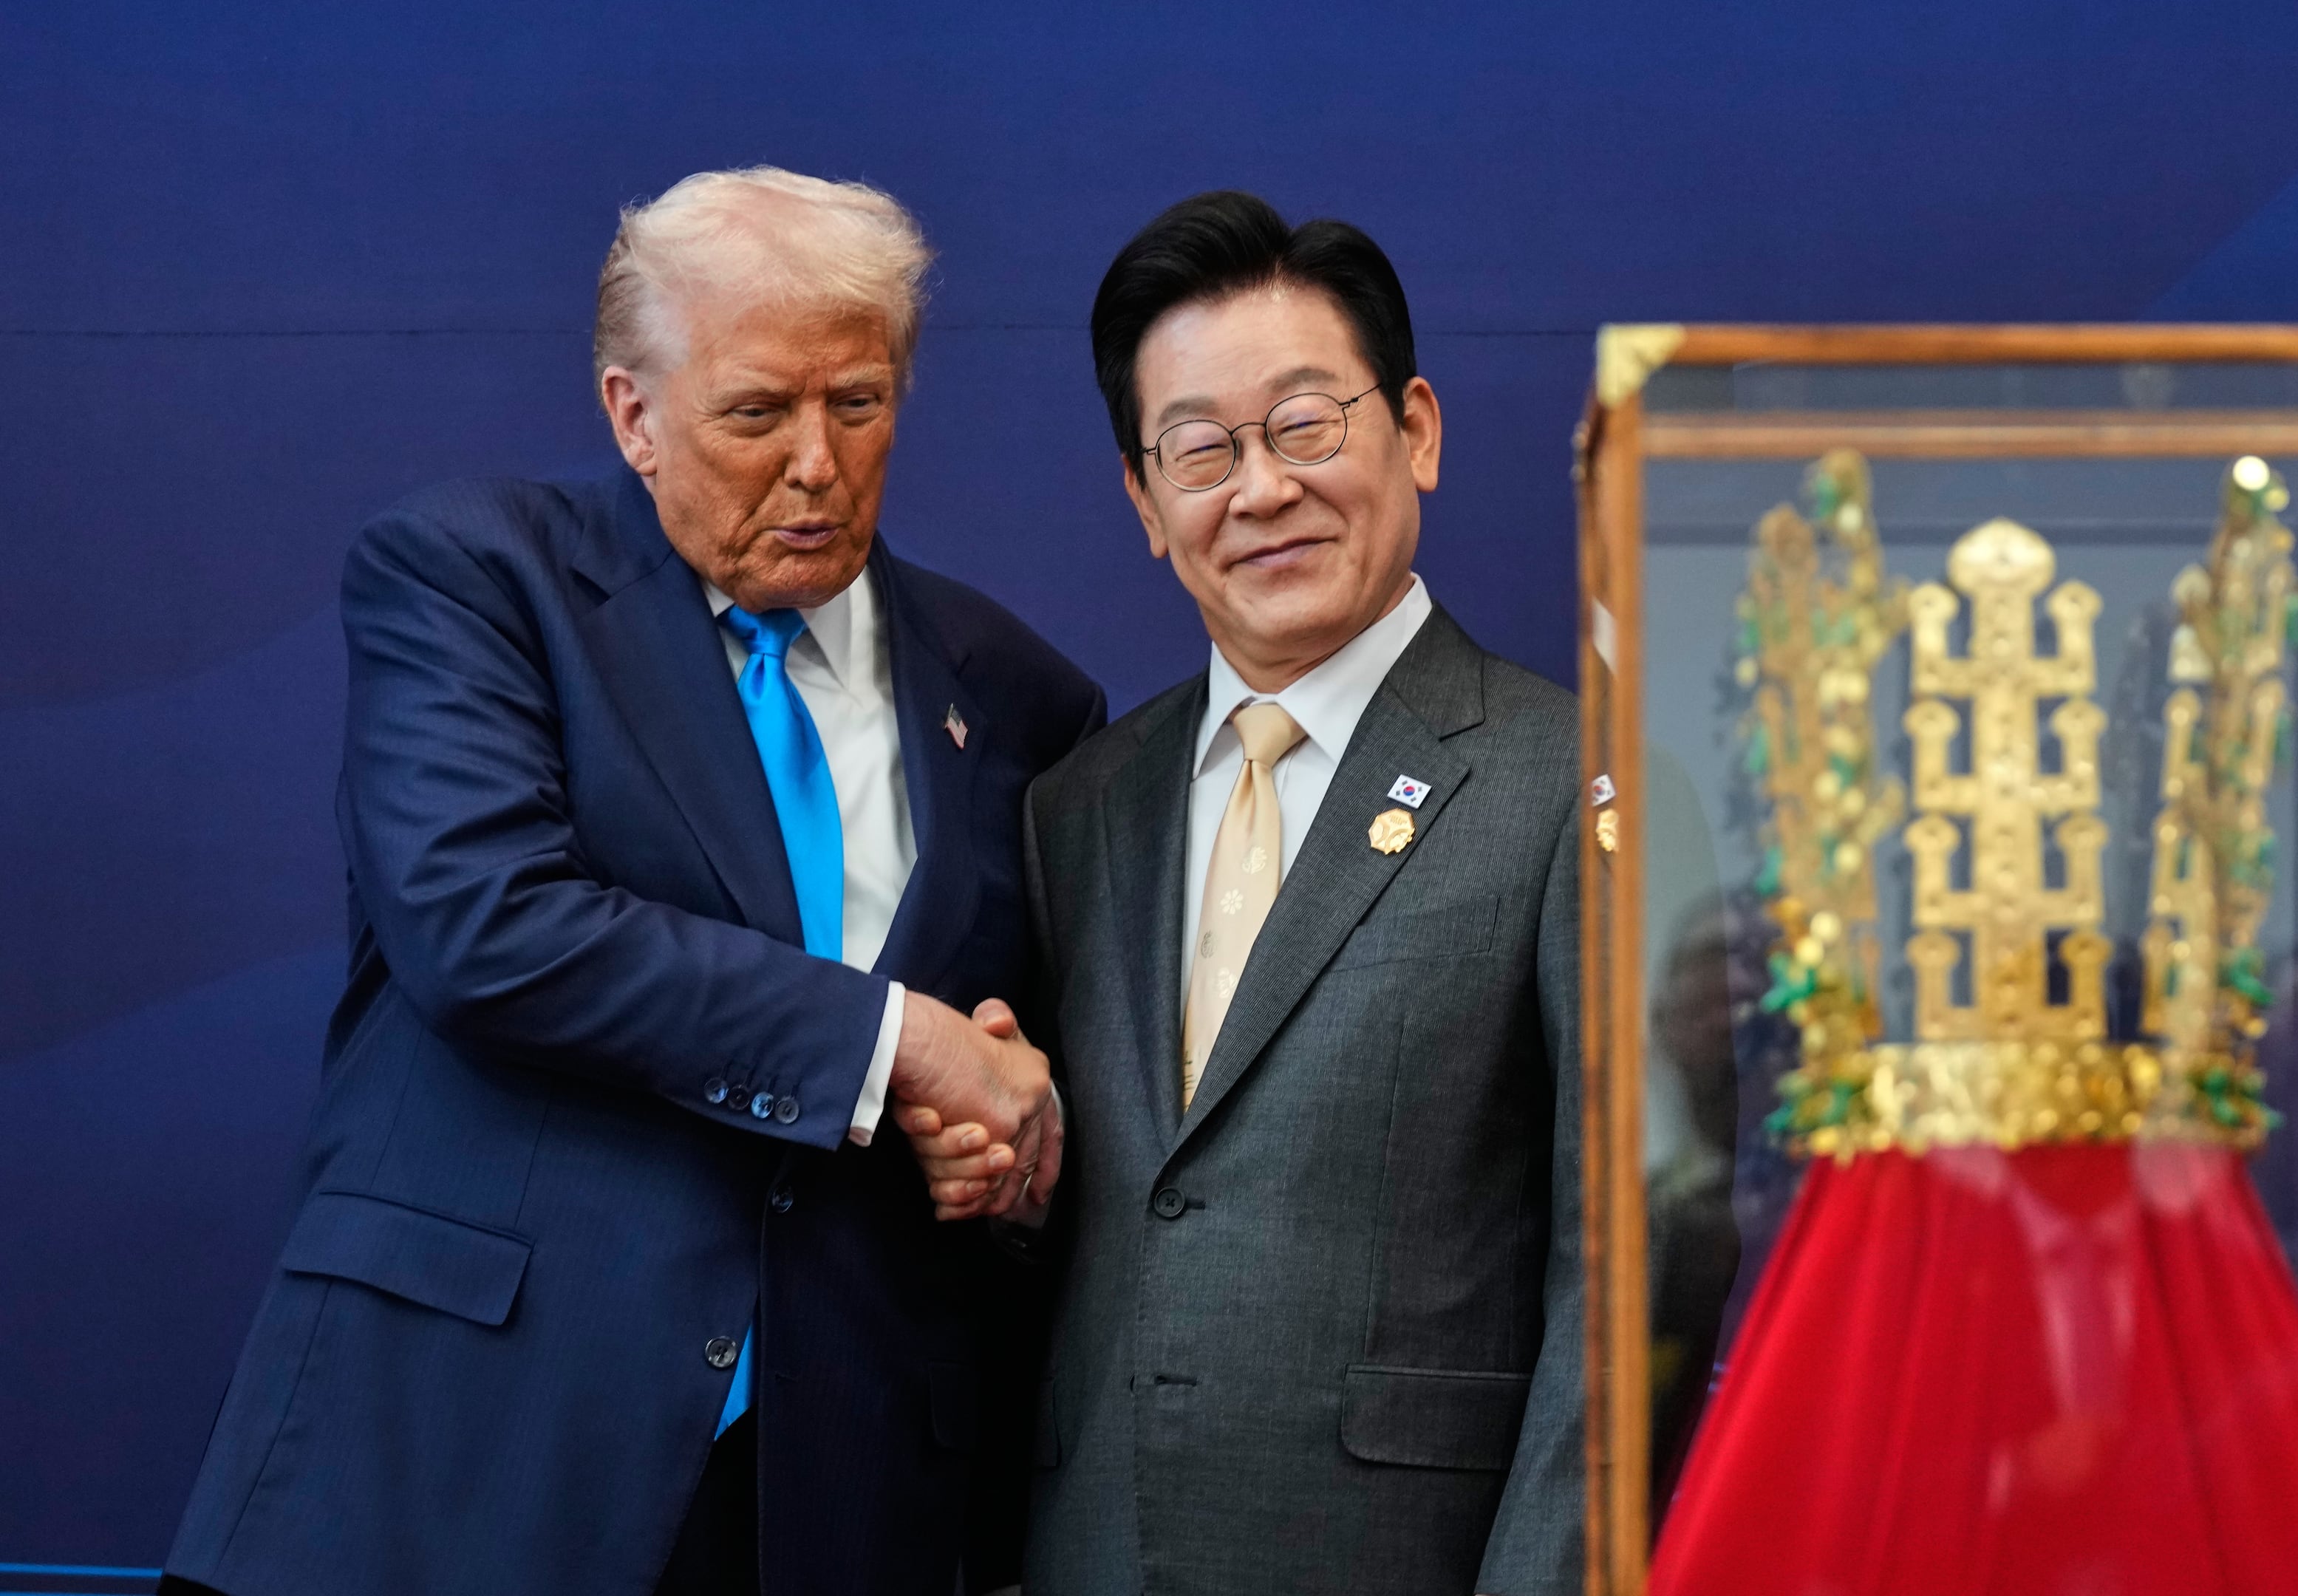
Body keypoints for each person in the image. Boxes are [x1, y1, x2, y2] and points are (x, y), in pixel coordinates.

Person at [161, 167, 1097, 1596]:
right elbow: (487, 930)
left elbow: (1016, 1071)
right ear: (632, 415)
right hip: (465, 1461)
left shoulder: (1022, 696)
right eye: (755, 412)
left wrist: (1006, 1150)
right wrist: (889, 1042)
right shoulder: (477, 580)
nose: (817, 463)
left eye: (858, 403)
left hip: (829, 1504)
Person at [967, 191, 1582, 1596]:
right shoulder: (1079, 806)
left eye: (1308, 425)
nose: (1261, 490)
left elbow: (1625, 1283)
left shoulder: (1576, 784)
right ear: (1143, 501)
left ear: (1414, 429)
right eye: (1201, 450)